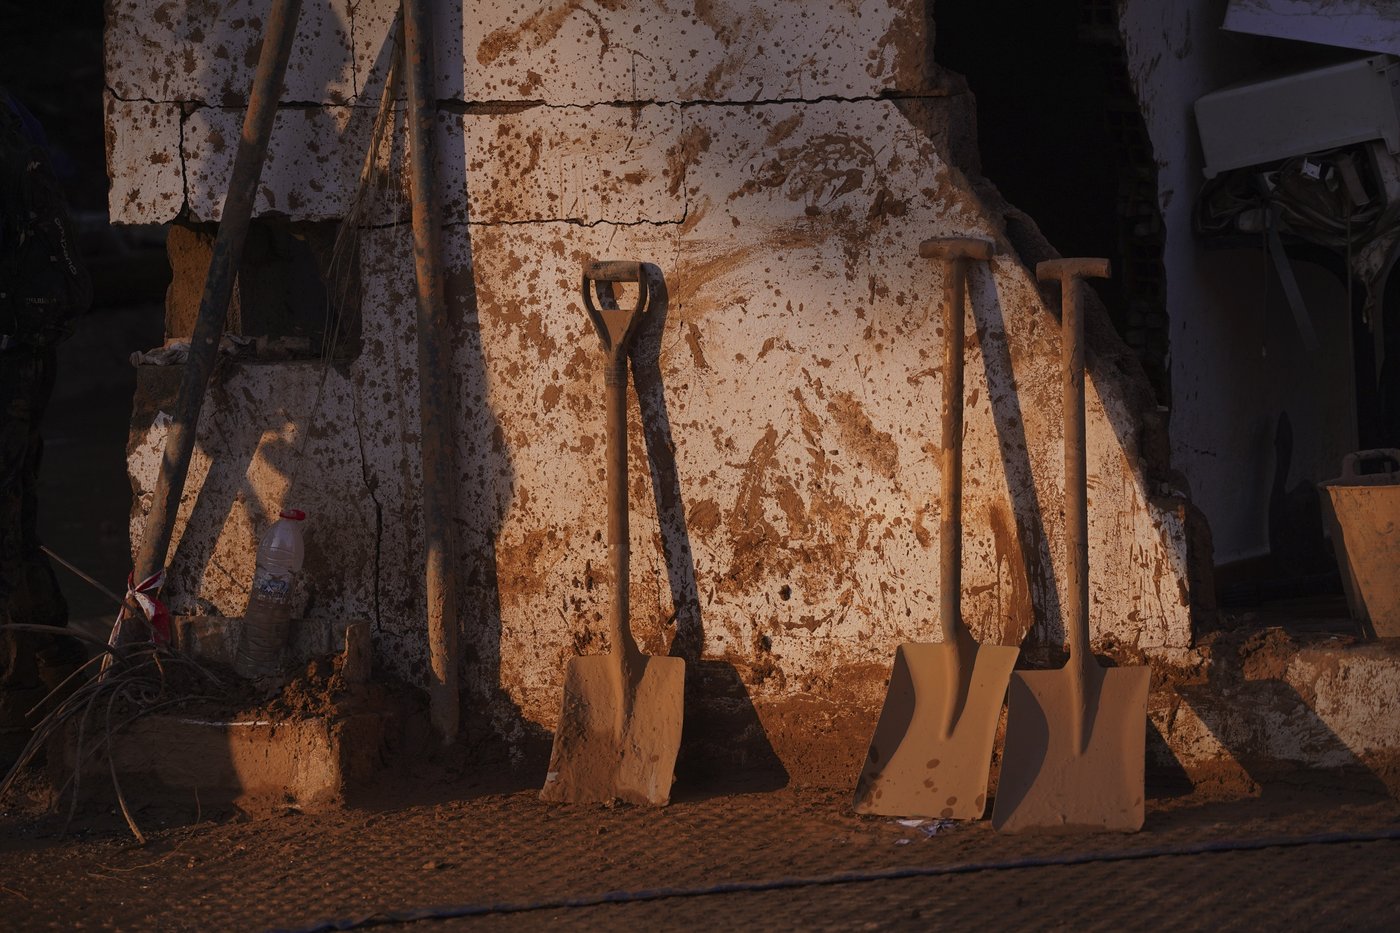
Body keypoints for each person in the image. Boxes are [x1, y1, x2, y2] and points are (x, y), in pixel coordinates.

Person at [0, 86, 90, 765]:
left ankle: (28, 692)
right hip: (24, 338)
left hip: (14, 341)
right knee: (12, 518)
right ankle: (51, 673)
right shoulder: (13, 116)